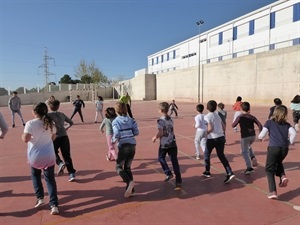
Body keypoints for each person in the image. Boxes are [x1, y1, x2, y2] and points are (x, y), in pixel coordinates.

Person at [21, 102, 59, 215]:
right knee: (50, 180)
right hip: (49, 155)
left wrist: (23, 136)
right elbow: (53, 136)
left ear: (34, 112)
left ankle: (40, 198)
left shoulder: (30, 123)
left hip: (35, 156)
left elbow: (25, 139)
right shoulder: (51, 122)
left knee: (35, 176)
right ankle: (54, 205)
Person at [258, 105, 296, 199]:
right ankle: (282, 176)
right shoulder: (287, 124)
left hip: (273, 148)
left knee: (269, 169)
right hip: (284, 149)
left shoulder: (269, 122)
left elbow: (262, 134)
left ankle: (273, 191)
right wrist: (289, 142)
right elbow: (294, 133)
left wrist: (260, 137)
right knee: (278, 162)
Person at [203, 100, 235, 184]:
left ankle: (207, 171)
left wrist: (205, 133)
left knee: (206, 154)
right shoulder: (217, 116)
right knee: (221, 155)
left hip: (212, 139)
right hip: (221, 137)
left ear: (207, 107)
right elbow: (224, 128)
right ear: (216, 107)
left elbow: (210, 129)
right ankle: (229, 172)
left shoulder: (207, 117)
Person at [152, 102, 182, 190]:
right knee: (174, 161)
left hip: (164, 144)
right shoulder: (171, 118)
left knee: (161, 158)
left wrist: (155, 137)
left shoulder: (160, 120)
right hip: (172, 142)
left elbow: (161, 132)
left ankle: (168, 172)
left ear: (161, 110)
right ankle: (178, 180)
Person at [112, 101, 139, 198]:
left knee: (118, 167)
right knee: (127, 167)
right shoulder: (131, 120)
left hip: (123, 145)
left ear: (116, 111)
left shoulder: (115, 121)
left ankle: (129, 181)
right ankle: (131, 190)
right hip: (132, 145)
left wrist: (113, 140)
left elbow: (116, 134)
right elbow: (136, 132)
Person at [48, 100, 77, 182]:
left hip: (55, 137)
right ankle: (71, 173)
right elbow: (71, 122)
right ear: (58, 106)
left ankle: (60, 162)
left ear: (49, 107)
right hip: (64, 136)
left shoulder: (48, 115)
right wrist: (66, 128)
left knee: (53, 152)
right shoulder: (62, 114)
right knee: (67, 155)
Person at [232, 102, 262, 174]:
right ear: (249, 109)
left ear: (241, 109)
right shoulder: (252, 117)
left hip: (245, 136)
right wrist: (260, 135)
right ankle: (252, 157)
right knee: (248, 146)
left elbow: (233, 125)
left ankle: (249, 167)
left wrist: (238, 123)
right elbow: (260, 125)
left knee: (244, 151)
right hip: (253, 136)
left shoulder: (240, 117)